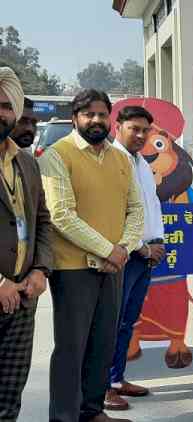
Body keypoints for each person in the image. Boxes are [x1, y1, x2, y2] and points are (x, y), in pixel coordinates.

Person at [39, 89, 144, 422]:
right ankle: (64, 417)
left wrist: (123, 249)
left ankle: (92, 411)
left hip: (113, 266)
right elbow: (61, 214)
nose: (96, 120)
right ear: (75, 118)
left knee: (102, 343)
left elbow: (136, 208)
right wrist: (109, 249)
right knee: (72, 348)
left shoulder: (119, 158)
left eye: (102, 114)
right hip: (73, 269)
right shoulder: (58, 155)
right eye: (88, 114)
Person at [0, 67, 53, 422]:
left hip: (22, 297)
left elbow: (43, 221)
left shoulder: (26, 163)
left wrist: (39, 269)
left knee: (8, 397)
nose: (0, 112)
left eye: (6, 105)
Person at [105, 106, 167, 411]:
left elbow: (150, 205)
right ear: (118, 126)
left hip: (146, 254)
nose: (141, 135)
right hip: (126, 255)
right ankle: (103, 387)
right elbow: (112, 212)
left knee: (128, 321)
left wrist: (159, 241)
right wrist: (142, 248)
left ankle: (117, 380)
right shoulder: (111, 160)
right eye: (134, 128)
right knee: (111, 322)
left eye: (145, 130)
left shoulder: (140, 162)